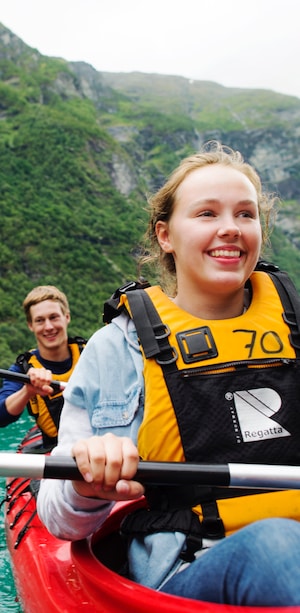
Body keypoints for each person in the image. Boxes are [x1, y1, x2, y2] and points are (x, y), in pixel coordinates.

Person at [37, 142, 300, 606]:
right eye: (206, 214)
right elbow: (60, 522)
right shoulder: (118, 348)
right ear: (165, 235)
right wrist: (86, 484)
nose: (230, 229)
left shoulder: (293, 321)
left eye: (245, 214)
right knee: (275, 544)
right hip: (189, 567)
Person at [0, 285, 86, 449]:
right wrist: (28, 391)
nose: (48, 327)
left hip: (98, 443)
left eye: (54, 317)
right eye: (40, 320)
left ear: (66, 317)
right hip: (55, 450)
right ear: (31, 325)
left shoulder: (91, 354)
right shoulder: (22, 369)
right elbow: (1, 416)